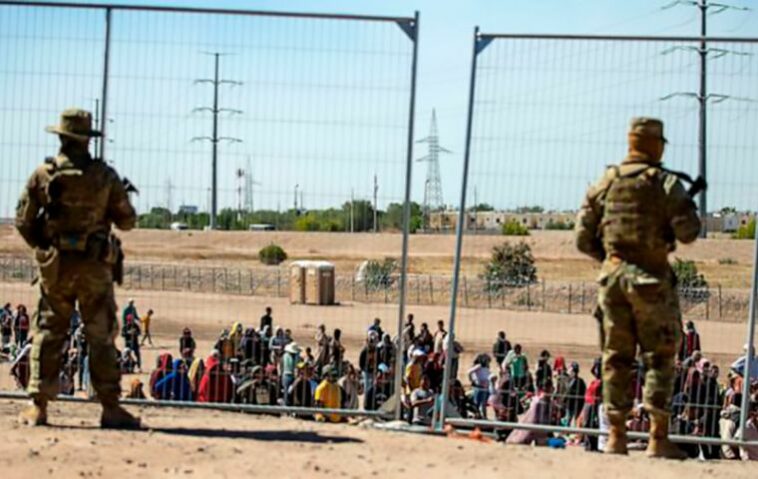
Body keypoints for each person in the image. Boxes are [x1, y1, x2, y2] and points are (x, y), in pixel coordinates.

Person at [575, 117, 701, 458]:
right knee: (658, 356)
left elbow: (582, 238)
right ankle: (657, 439)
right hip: (651, 281)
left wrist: (611, 259)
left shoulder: (607, 181)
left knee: (616, 357)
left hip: (612, 281)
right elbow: (689, 231)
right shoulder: (664, 183)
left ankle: (616, 436)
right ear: (656, 145)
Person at [15, 108, 140, 428]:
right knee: (100, 336)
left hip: (56, 268)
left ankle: (38, 406)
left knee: (49, 332)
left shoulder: (44, 174)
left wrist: (45, 248)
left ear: (60, 137)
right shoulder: (104, 176)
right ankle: (110, 407)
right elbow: (127, 220)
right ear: (88, 139)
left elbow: (23, 221)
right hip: (95, 267)